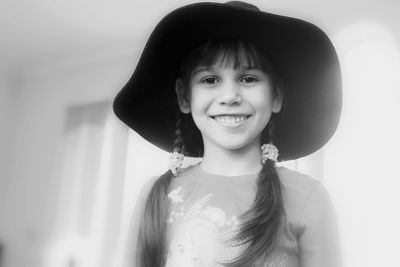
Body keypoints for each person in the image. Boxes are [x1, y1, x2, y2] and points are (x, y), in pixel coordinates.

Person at [113, 1, 342, 266]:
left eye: (249, 79)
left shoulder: (307, 198)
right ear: (184, 96)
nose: (230, 96)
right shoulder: (156, 195)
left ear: (276, 95)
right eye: (210, 80)